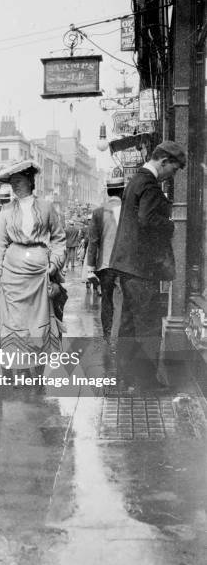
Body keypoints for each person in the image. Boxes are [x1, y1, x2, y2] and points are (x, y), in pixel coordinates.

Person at [110, 141, 186, 386]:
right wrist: (172, 224)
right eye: (173, 170)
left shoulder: (136, 181)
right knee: (148, 324)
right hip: (142, 268)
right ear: (163, 162)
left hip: (127, 265)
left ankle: (125, 377)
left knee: (130, 324)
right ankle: (145, 381)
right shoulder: (150, 185)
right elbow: (147, 219)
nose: (171, 176)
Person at [0, 161, 66, 371]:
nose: (15, 186)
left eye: (19, 181)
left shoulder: (46, 207)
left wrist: (54, 264)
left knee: (37, 321)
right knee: (14, 322)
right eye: (12, 182)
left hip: (39, 273)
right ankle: (17, 369)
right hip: (12, 273)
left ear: (30, 181)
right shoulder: (6, 210)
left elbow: (59, 239)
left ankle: (37, 366)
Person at [87, 171, 125, 345]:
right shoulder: (130, 211)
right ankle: (117, 338)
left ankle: (108, 336)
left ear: (108, 192)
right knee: (121, 301)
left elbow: (93, 242)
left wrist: (90, 269)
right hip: (125, 264)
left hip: (104, 265)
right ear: (123, 191)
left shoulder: (98, 212)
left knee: (107, 301)